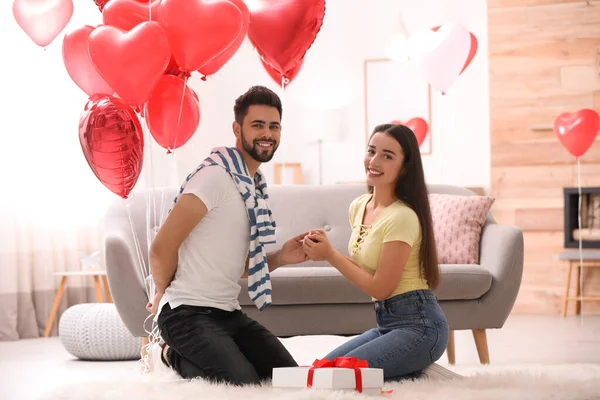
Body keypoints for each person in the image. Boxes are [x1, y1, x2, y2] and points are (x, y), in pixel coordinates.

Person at [146, 86, 307, 385]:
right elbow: (160, 248)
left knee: (290, 379)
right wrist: (164, 293)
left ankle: (211, 353)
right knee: (241, 383)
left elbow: (239, 266)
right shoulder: (214, 177)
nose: (267, 134)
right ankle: (168, 354)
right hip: (186, 315)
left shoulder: (251, 186)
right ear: (237, 128)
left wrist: (283, 256)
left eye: (273, 126)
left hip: (229, 314)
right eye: (257, 125)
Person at [302, 123, 450, 381]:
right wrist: (324, 248)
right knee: (320, 372)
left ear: (405, 167)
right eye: (371, 151)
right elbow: (367, 268)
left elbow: (380, 288)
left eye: (387, 156)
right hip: (387, 324)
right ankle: (412, 371)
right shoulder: (360, 205)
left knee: (338, 377)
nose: (374, 161)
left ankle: (417, 369)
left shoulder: (402, 217)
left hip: (421, 327)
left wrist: (331, 255)